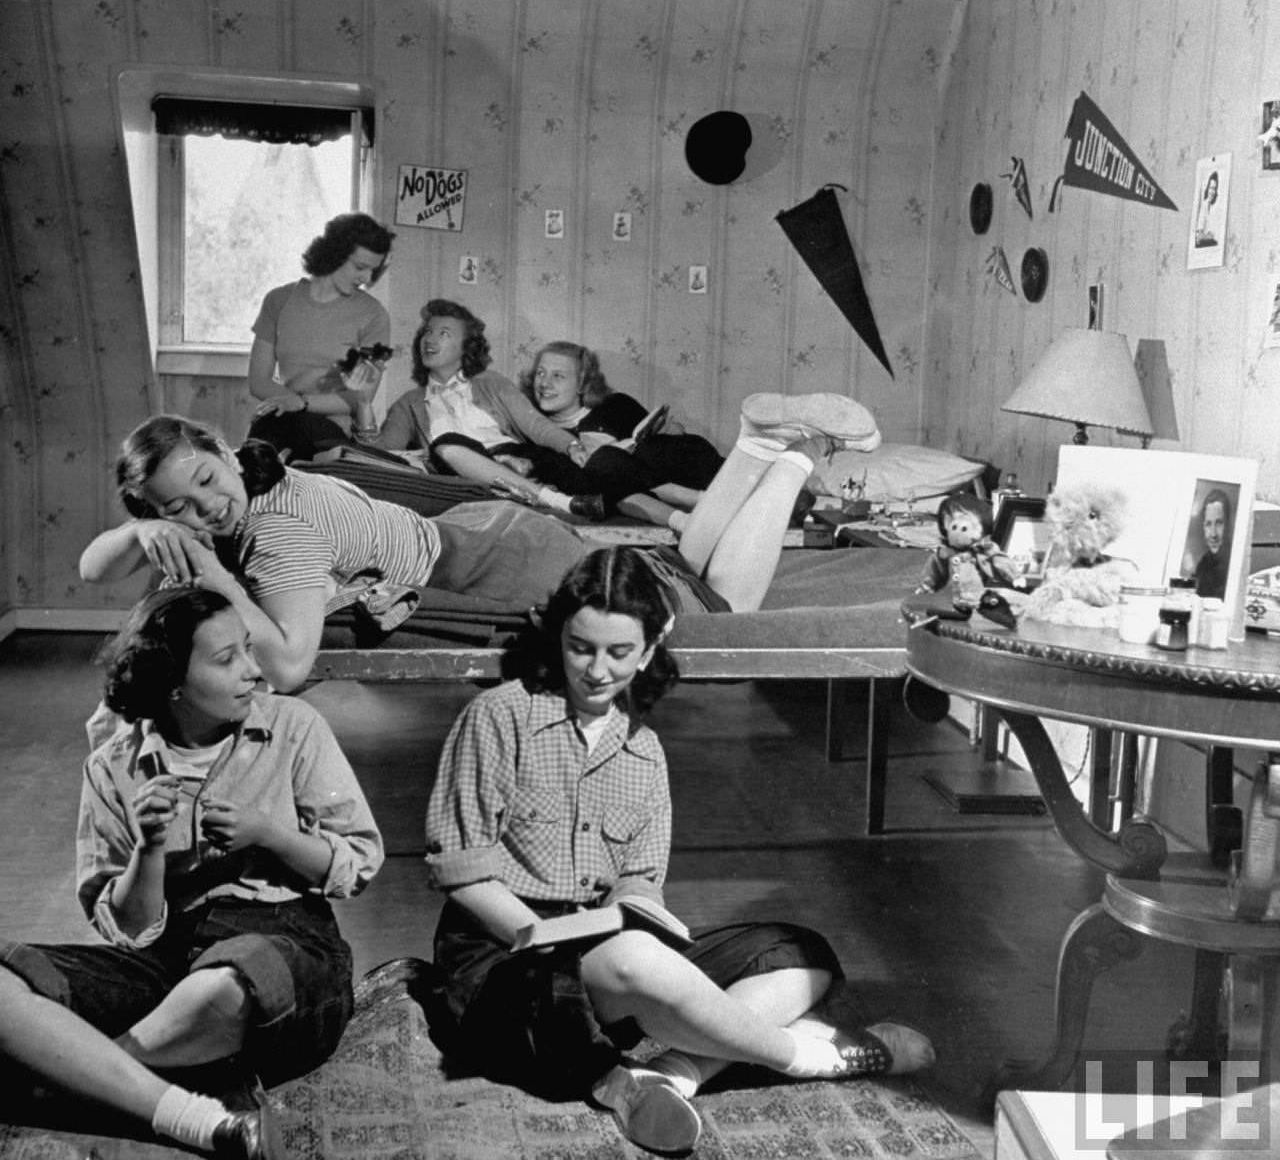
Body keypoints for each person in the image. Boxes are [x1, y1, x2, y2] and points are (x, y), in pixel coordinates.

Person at [423, 547, 934, 1155]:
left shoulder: (644, 752)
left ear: (648, 649)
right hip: (500, 958)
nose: (596, 670)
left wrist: (635, 910)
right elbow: (462, 872)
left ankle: (670, 1074)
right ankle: (810, 1057)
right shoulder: (497, 716)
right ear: (557, 636)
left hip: (604, 950)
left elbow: (640, 879)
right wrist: (552, 934)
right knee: (638, 961)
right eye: (580, 647)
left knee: (800, 954)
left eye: (619, 653)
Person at [79, 392, 881, 693]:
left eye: (207, 484)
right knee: (683, 568)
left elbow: (286, 666)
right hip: (486, 532)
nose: (208, 510)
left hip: (497, 557)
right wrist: (141, 528)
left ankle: (796, 455)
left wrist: (217, 579)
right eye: (181, 507)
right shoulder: (263, 472)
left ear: (223, 452)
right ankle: (753, 440)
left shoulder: (275, 532)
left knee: (716, 607)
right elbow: (92, 567)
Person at [0, 587, 384, 1160]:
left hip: (286, 944)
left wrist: (270, 835)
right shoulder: (112, 765)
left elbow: (358, 862)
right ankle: (197, 1117)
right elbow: (127, 929)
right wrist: (150, 849)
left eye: (248, 650)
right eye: (227, 659)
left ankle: (88, 1077)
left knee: (232, 978)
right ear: (171, 680)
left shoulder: (293, 726)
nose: (254, 671)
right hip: (164, 960)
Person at [352, 301, 605, 521]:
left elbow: (535, 426)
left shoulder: (492, 383)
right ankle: (547, 496)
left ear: (466, 347)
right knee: (446, 444)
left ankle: (522, 480)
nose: (430, 339)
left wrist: (572, 446)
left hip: (520, 455)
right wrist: (363, 403)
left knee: (590, 479)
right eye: (428, 332)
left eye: (444, 333)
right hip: (465, 471)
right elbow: (382, 457)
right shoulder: (409, 403)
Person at [517, 340, 725, 530]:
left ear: (582, 384)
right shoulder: (536, 434)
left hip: (670, 472)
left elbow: (659, 439)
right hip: (633, 499)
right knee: (604, 461)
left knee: (676, 445)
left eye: (558, 376)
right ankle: (700, 503)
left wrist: (668, 430)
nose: (544, 383)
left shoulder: (616, 405)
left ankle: (729, 494)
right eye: (540, 373)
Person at [248, 212, 395, 461]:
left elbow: (360, 397)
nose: (367, 279)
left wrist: (301, 403)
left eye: (373, 270)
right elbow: (258, 382)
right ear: (333, 254)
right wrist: (290, 403)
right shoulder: (278, 300)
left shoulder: (374, 315)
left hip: (332, 431)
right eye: (360, 267)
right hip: (281, 417)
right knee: (264, 441)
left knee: (280, 436)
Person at [1193, 488, 1232, 599]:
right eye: (1208, 524)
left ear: (1228, 524)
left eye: (1219, 523)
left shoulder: (1233, 564)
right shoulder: (1203, 564)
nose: (1213, 534)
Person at [1193, 171, 1219, 248]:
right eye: (1211, 188)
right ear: (1207, 189)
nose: (1212, 192)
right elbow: (1198, 237)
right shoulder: (1204, 206)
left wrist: (1210, 235)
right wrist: (1210, 236)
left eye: (1214, 189)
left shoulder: (1213, 208)